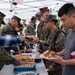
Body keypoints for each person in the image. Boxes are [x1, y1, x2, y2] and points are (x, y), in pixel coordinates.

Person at [50, 3, 75, 75]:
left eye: (64, 20)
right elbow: (68, 48)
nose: (63, 23)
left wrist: (63, 62)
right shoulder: (69, 32)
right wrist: (57, 54)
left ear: (73, 16)